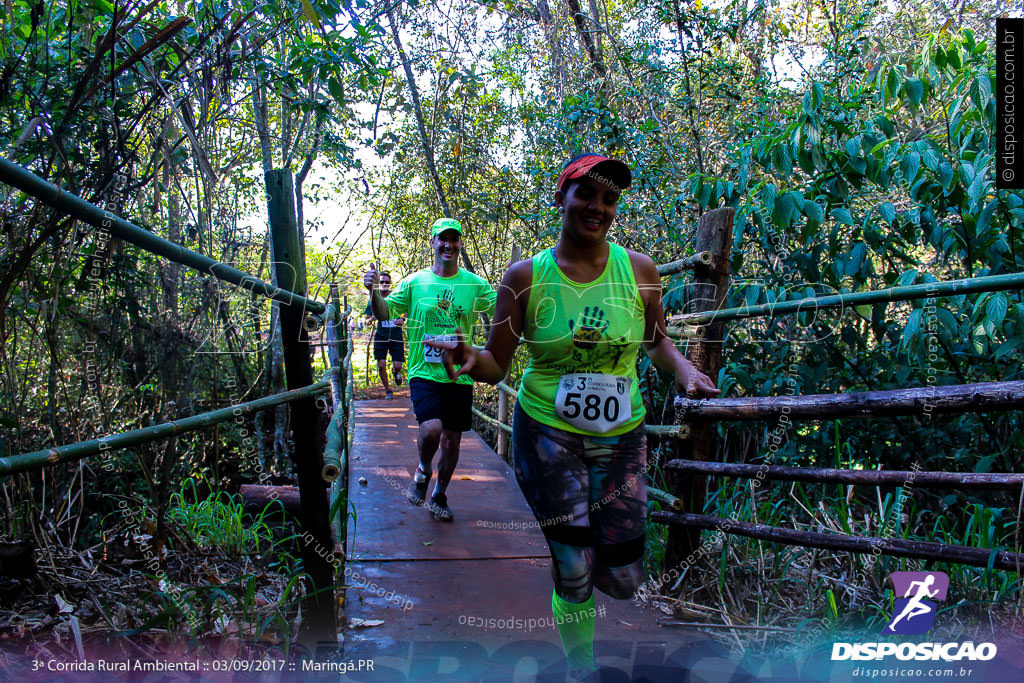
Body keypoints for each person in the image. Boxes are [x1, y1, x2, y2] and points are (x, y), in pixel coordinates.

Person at [427, 153, 719, 676]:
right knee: (573, 565)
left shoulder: (640, 270)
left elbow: (655, 342)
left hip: (621, 437)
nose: (599, 207)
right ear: (561, 197)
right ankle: (582, 668)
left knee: (624, 579)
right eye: (586, 194)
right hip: (547, 436)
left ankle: (592, 589)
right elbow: (497, 364)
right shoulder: (525, 277)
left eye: (609, 199)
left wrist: (683, 371)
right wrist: (472, 361)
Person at [364, 218, 496, 522]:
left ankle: (440, 494)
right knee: (432, 428)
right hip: (424, 371)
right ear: (433, 243)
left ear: (460, 243)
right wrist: (373, 291)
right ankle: (423, 468)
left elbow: (503, 304)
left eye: (454, 239)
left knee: (452, 440)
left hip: (459, 373)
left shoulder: (474, 284)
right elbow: (385, 311)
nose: (448, 244)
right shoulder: (414, 282)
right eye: (443, 239)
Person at [363, 270, 405, 400]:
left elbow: (406, 310)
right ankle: (388, 390)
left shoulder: (395, 297)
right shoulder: (373, 299)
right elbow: (367, 318)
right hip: (381, 335)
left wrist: (402, 319)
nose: (385, 284)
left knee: (397, 365)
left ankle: (395, 373)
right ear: (378, 283)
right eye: (382, 282)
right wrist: (370, 320)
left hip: (396, 335)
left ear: (390, 283)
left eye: (387, 282)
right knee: (381, 364)